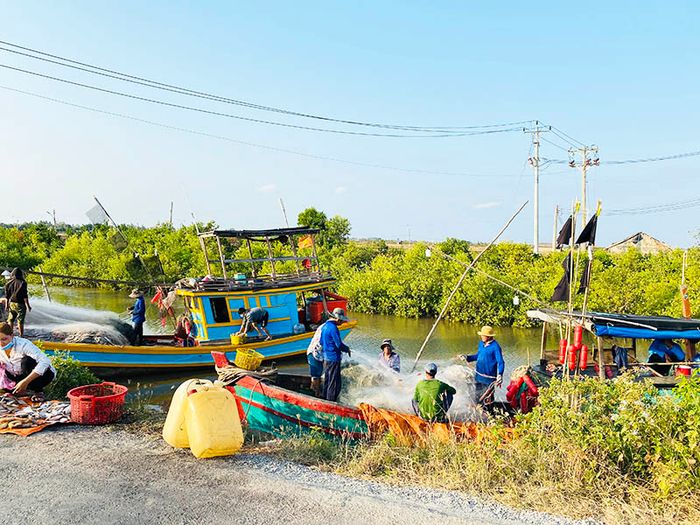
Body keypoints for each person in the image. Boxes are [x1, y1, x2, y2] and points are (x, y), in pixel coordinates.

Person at [0, 322, 55, 400]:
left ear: (12, 336)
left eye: (4, 339)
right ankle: (19, 391)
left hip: (43, 376)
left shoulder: (24, 344)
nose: (1, 343)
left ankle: (38, 392)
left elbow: (45, 361)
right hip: (16, 375)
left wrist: (25, 381)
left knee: (27, 361)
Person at [460, 325, 505, 409]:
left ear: (488, 336)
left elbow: (501, 362)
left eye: (483, 335)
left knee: (488, 400)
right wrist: (467, 357)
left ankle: (490, 416)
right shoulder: (481, 344)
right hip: (478, 377)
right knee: (477, 398)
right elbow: (478, 356)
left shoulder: (495, 347)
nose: (481, 336)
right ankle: (479, 416)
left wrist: (500, 375)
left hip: (489, 380)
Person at [321, 307, 351, 402]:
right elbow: (339, 344)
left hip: (326, 358)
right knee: (333, 383)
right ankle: (331, 403)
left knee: (327, 380)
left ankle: (324, 398)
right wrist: (347, 349)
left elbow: (321, 342)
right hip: (334, 359)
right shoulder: (333, 328)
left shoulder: (324, 326)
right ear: (338, 319)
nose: (342, 323)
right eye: (341, 321)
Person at [4, 268, 31, 336]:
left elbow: (7, 296)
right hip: (20, 304)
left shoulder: (8, 283)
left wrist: (6, 305)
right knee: (20, 320)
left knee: (11, 319)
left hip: (12, 303)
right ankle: (21, 335)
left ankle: (10, 334)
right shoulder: (23, 283)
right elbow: (25, 296)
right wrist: (28, 306)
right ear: (21, 274)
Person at [306, 323, 325, 396]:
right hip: (314, 352)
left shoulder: (324, 326)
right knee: (316, 376)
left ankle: (315, 391)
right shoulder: (326, 328)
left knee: (317, 375)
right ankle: (316, 393)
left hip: (317, 353)